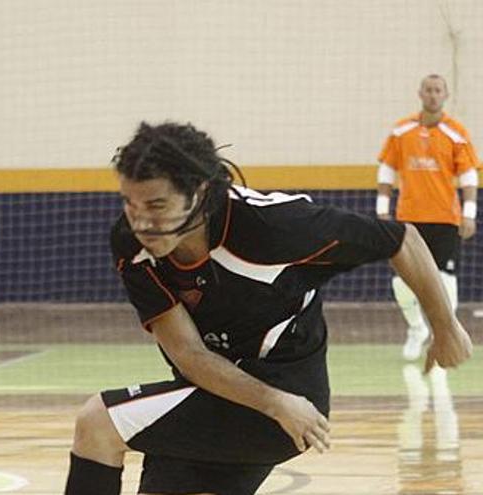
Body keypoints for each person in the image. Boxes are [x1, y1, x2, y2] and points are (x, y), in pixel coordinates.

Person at [64, 122, 473, 495]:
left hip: (290, 399)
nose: (141, 224)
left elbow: (401, 238)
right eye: (130, 205)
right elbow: (189, 354)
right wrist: (273, 403)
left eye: (156, 206)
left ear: (200, 193)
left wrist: (446, 327)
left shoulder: (274, 228)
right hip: (224, 393)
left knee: (97, 423)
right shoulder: (133, 244)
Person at [376, 74, 479, 361]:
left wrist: (469, 213)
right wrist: (382, 209)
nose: (433, 95)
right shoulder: (401, 131)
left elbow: (469, 176)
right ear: (420, 93)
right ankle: (417, 328)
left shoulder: (456, 132)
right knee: (402, 281)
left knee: (445, 279)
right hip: (409, 218)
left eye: (438, 90)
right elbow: (386, 169)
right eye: (428, 90)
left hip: (445, 219)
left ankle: (444, 333)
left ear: (445, 95)